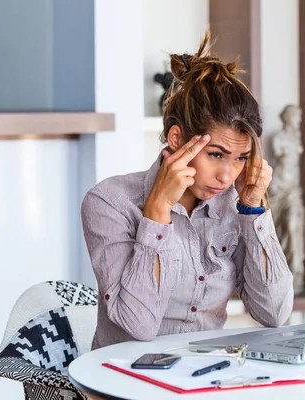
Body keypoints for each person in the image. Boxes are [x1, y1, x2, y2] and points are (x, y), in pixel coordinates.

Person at [81, 31, 294, 350]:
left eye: (241, 159)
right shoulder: (110, 202)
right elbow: (137, 324)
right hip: (124, 383)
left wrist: (253, 210)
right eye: (216, 154)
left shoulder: (236, 207)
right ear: (177, 138)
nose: (227, 175)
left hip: (207, 377)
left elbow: (274, 313)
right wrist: (157, 212)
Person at [268, 105, 305, 295]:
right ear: (288, 118)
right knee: (276, 228)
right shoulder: (279, 139)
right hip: (279, 187)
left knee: (293, 226)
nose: (299, 120)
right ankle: (280, 273)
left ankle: (295, 272)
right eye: (297, 116)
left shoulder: (296, 136)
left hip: (293, 189)